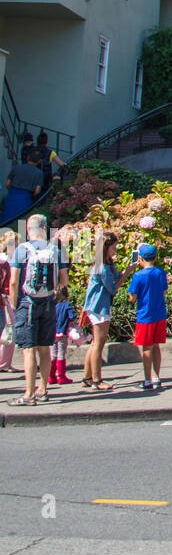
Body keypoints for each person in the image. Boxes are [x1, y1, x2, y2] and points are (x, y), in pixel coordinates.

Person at [9, 214, 69, 406]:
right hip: (49, 302)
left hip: (27, 303)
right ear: (44, 228)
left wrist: (13, 304)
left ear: (28, 229)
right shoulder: (55, 250)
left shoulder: (21, 250)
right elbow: (64, 280)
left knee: (28, 350)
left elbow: (13, 281)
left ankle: (28, 393)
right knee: (45, 349)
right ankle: (43, 389)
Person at [81, 230, 121, 392]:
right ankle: (97, 380)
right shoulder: (102, 267)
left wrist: (126, 271)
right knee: (98, 343)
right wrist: (127, 275)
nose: (115, 251)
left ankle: (87, 377)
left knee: (95, 343)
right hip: (99, 307)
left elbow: (116, 277)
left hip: (98, 306)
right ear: (105, 248)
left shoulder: (107, 264)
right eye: (113, 248)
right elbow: (112, 289)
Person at [128, 242, 168, 392]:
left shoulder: (138, 276)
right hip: (160, 314)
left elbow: (133, 297)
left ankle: (147, 379)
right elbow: (164, 292)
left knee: (146, 348)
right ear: (155, 257)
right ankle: (157, 377)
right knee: (156, 346)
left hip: (145, 316)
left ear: (140, 258)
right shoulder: (160, 273)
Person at [1, 147, 45, 225]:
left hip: (12, 195)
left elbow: (7, 183)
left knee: (6, 219)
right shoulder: (39, 173)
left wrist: (12, 190)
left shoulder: (17, 167)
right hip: (25, 198)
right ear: (39, 161)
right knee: (21, 221)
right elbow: (37, 191)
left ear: (28, 157)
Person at [0, 228, 17, 373]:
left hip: (6, 298)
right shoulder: (5, 261)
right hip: (6, 299)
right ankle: (4, 363)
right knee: (9, 330)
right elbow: (8, 284)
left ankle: (5, 363)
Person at [51, 285, 75, 384]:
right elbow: (72, 316)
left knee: (52, 355)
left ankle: (51, 376)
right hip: (62, 333)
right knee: (61, 354)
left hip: (52, 333)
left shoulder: (53, 305)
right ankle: (61, 376)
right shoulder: (67, 305)